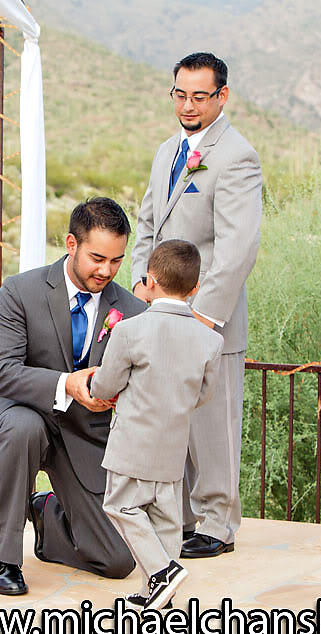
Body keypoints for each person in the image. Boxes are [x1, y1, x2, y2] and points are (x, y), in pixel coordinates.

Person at [131, 52, 261, 560]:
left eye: (199, 96)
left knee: (213, 427)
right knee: (176, 425)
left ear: (221, 96)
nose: (188, 105)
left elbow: (237, 248)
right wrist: (143, 283)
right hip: (161, 313)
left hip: (210, 322)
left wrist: (204, 315)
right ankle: (183, 518)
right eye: (180, 95)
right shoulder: (167, 151)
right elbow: (148, 223)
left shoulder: (236, 155)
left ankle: (219, 524)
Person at [0, 197, 148, 596]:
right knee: (23, 428)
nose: (106, 270)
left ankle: (45, 513)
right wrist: (66, 384)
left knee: (118, 561)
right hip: (24, 413)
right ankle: (5, 560)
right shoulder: (20, 291)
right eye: (97, 258)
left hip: (85, 432)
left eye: (116, 260)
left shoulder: (133, 310)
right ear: (71, 244)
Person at [92, 239, 223, 610]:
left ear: (149, 280)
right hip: (172, 444)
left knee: (120, 506)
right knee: (166, 516)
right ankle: (160, 591)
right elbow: (204, 394)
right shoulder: (210, 341)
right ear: (196, 288)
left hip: (132, 441)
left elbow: (106, 384)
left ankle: (163, 571)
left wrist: (105, 389)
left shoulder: (130, 331)